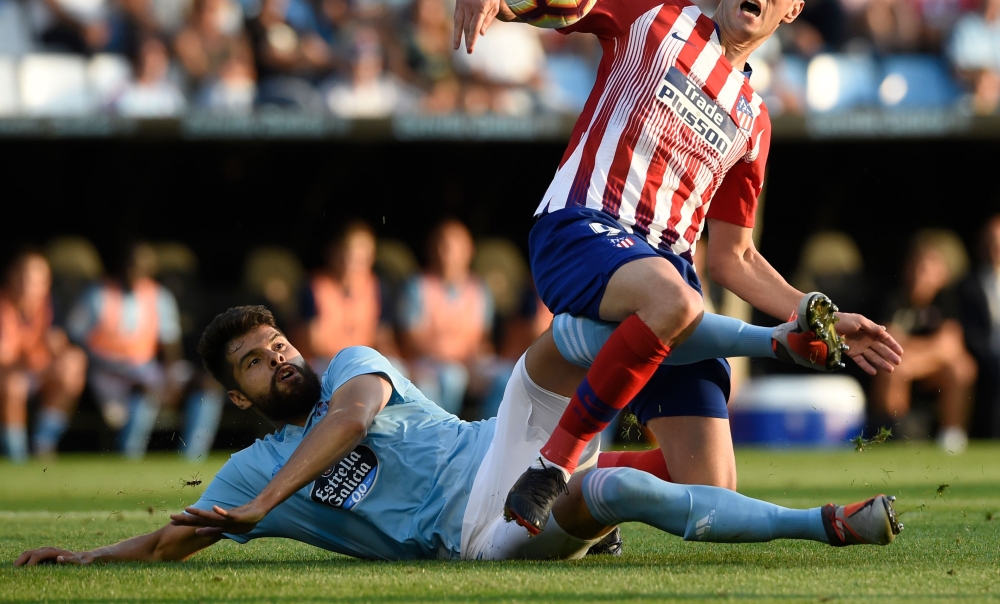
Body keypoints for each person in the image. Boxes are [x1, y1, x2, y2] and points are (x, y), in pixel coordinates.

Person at [453, 0, 902, 534]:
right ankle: (553, 465)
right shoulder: (654, 14)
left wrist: (811, 310)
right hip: (581, 229)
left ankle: (587, 479)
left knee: (709, 485)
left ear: (792, 10)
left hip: (668, 287)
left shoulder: (753, 118)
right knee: (674, 298)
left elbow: (732, 258)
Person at [14, 305, 902, 567]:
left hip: (501, 447)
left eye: (278, 344)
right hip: (476, 532)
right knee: (616, 493)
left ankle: (778, 338)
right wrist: (92, 562)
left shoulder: (350, 367)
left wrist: (263, 506)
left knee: (570, 335)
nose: (280, 360)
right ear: (240, 399)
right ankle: (825, 519)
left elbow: (354, 419)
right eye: (254, 363)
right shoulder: (254, 466)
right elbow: (182, 534)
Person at [67, 243, 185, 458]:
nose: (135, 270)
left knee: (196, 385)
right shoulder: (97, 294)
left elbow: (170, 343)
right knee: (132, 398)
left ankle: (187, 458)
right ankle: (127, 454)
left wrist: (170, 377)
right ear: (120, 266)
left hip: (144, 369)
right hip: (104, 371)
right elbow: (74, 337)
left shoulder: (160, 296)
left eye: (142, 265)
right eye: (131, 264)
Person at [871, 231, 978, 453]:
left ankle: (952, 438)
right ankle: (896, 435)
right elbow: (887, 343)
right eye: (917, 266)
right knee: (892, 368)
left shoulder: (949, 299)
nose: (921, 274)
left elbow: (950, 345)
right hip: (901, 367)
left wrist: (914, 359)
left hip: (930, 370)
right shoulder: (895, 297)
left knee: (962, 368)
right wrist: (922, 353)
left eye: (928, 268)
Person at [398, 219, 494, 416]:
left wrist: (479, 357)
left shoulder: (480, 290)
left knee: (504, 377)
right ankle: (445, 438)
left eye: (453, 246)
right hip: (426, 362)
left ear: (469, 250)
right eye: (441, 245)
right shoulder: (417, 286)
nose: (446, 252)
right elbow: (411, 340)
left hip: (468, 362)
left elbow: (482, 337)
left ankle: (492, 438)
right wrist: (451, 359)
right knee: (451, 376)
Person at [0, 251, 86, 461]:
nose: (32, 286)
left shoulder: (49, 306)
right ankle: (16, 454)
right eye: (26, 278)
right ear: (12, 276)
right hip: (9, 376)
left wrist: (58, 351)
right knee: (14, 385)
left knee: (73, 363)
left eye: (39, 280)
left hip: (34, 371)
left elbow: (57, 342)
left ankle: (43, 443)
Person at [294, 221, 395, 375]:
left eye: (362, 252)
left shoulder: (378, 287)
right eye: (348, 250)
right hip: (324, 363)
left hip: (364, 362)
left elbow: (382, 337)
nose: (354, 258)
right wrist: (351, 363)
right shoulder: (314, 287)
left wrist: (390, 364)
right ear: (333, 252)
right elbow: (312, 342)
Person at [960, 215, 1000, 438]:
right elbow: (971, 332)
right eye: (993, 241)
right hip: (988, 358)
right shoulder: (971, 284)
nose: (997, 247)